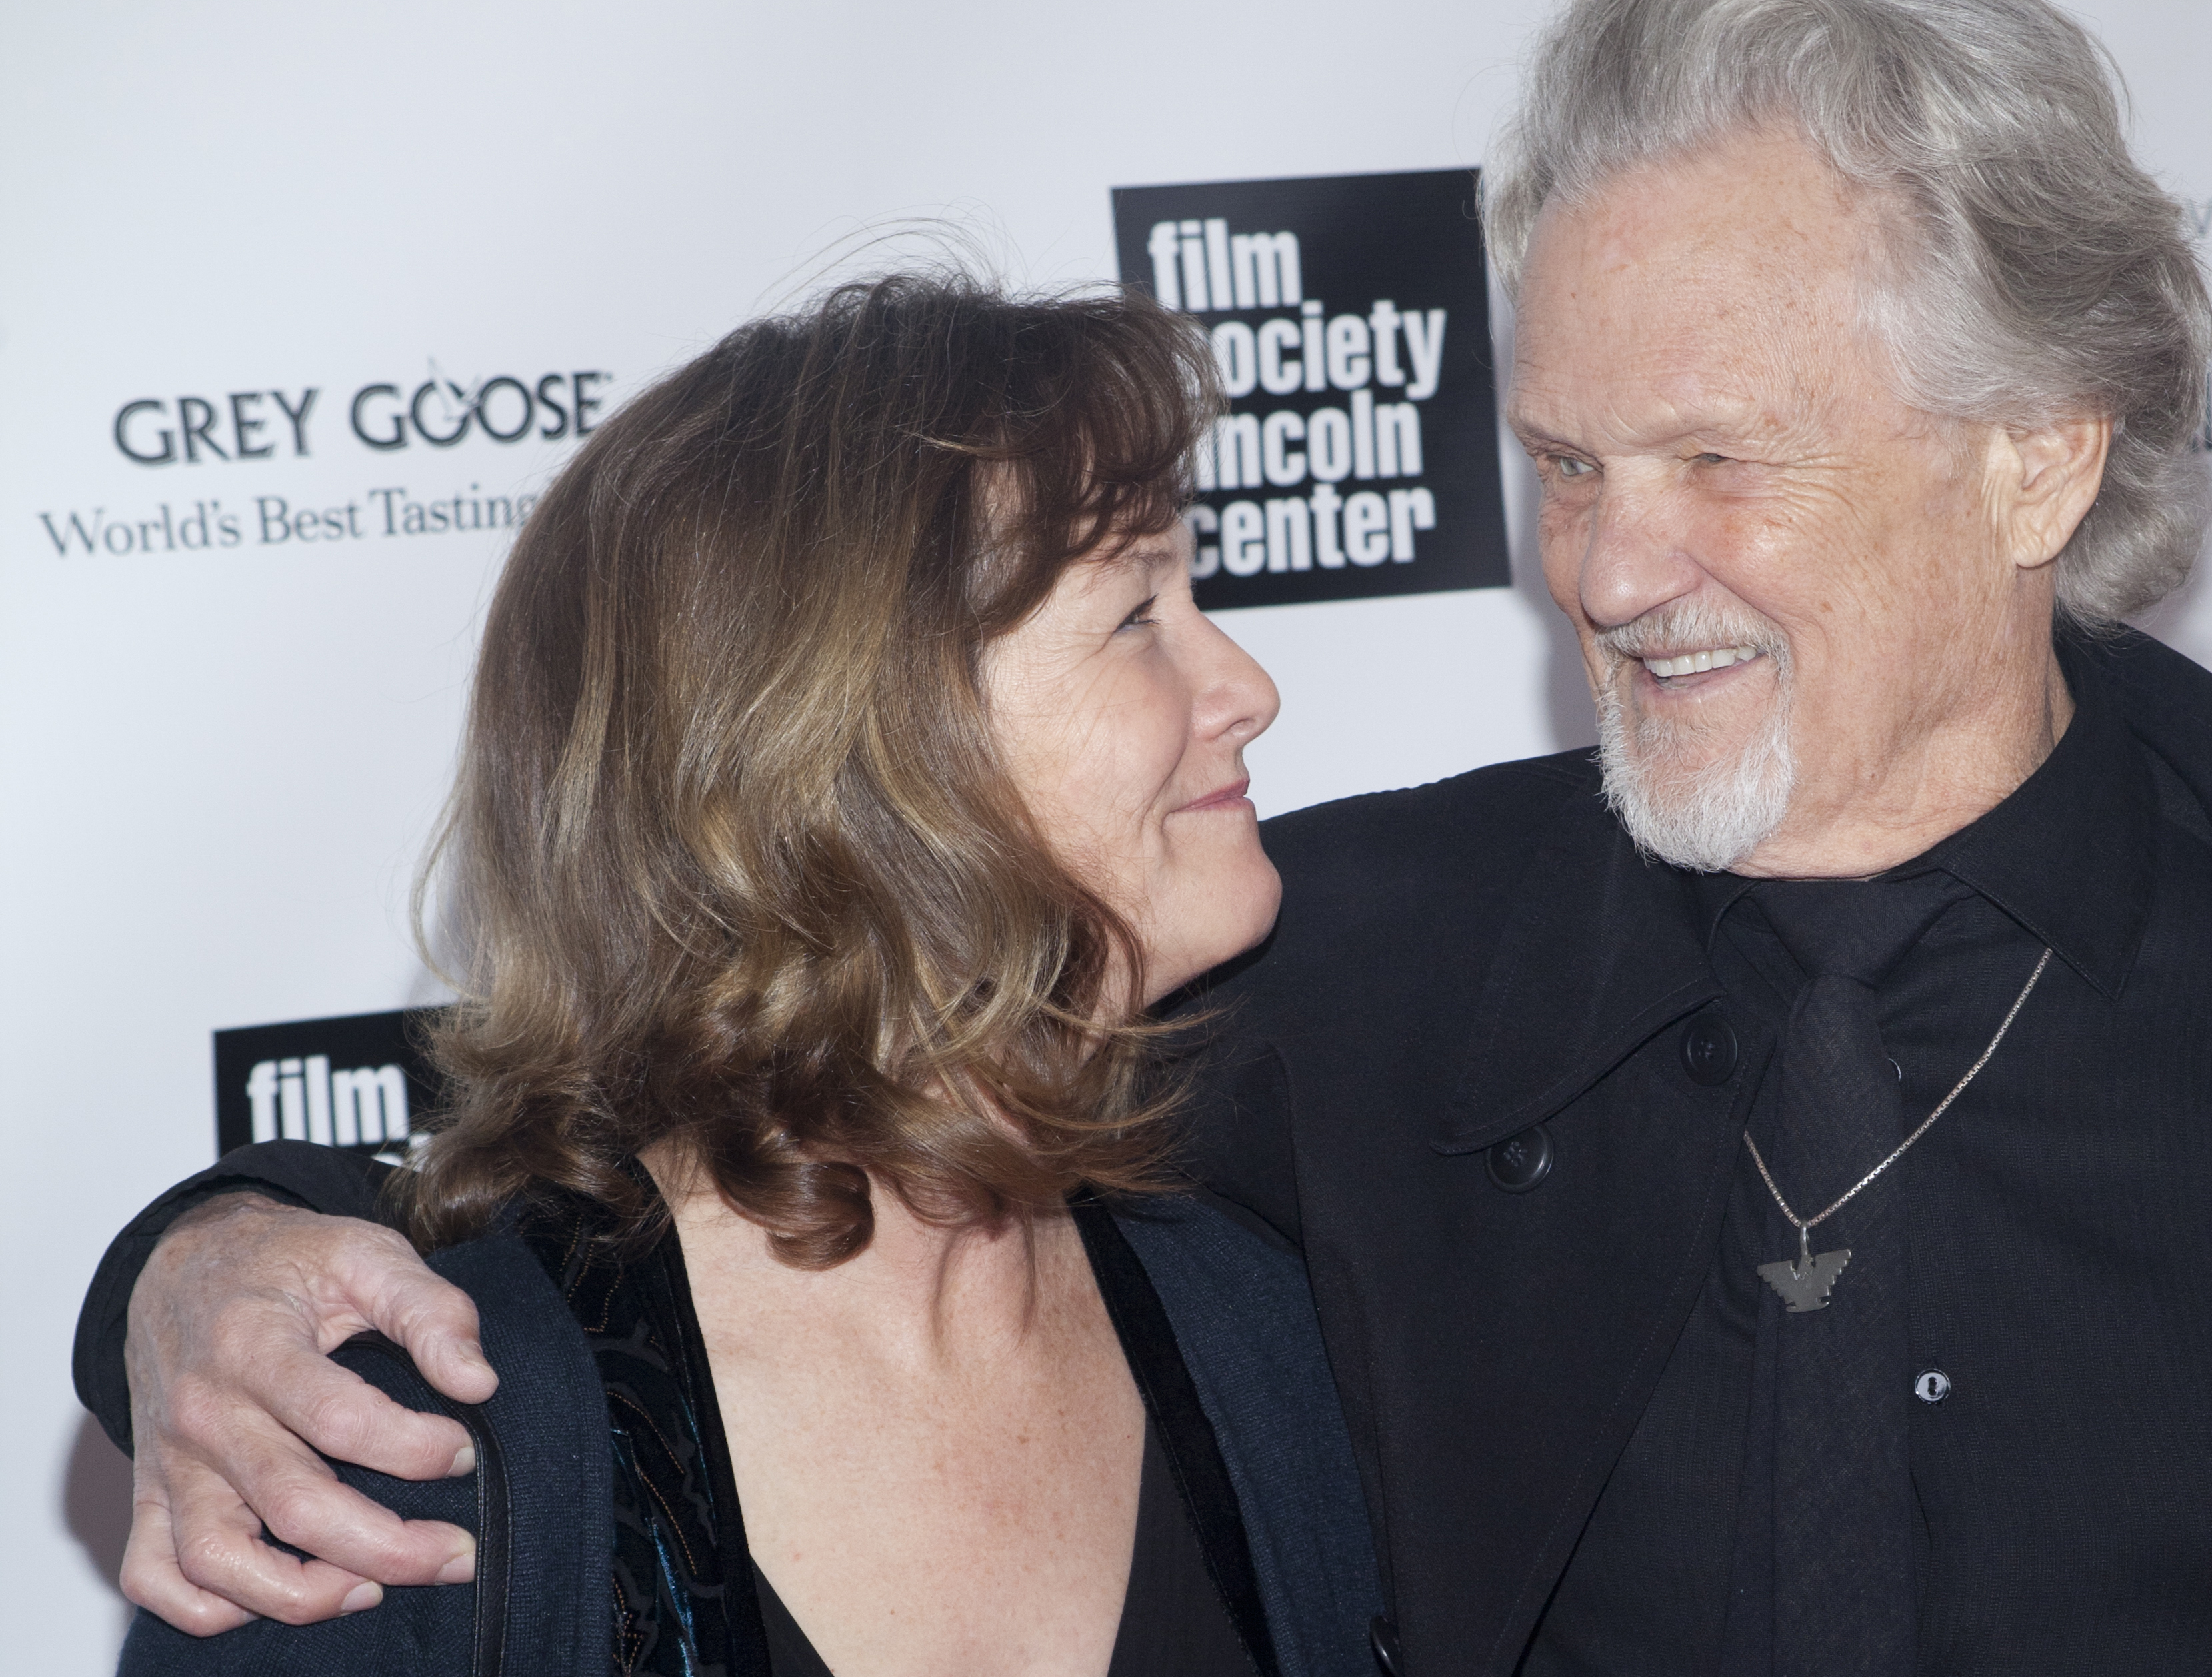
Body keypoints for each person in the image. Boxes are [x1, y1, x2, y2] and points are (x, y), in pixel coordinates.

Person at [77, 0, 2212, 1677]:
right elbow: (692, 1127)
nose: (1612, 561)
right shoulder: (1308, 980)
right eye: (1564, 455)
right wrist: (190, 1268)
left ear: (2036, 453)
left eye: (1714, 451)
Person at [91, 271, 1381, 1677]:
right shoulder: (391, 1467)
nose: (1244, 684)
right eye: (1138, 612)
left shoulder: (1266, 1318)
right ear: (867, 746)